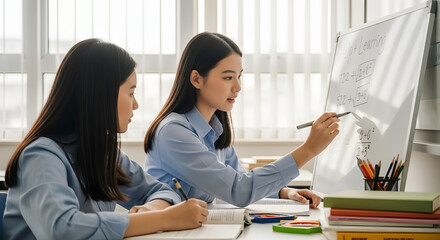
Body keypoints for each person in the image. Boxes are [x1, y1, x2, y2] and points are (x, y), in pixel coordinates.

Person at [3, 39, 208, 240]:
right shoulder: (40, 157)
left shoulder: (104, 153)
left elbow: (161, 191)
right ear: (102, 95)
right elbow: (62, 229)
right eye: (131, 92)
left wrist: (150, 210)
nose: (135, 105)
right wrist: (162, 219)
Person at [144, 32, 340, 208]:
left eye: (239, 76)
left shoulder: (215, 130)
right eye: (228, 78)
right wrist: (308, 150)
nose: (238, 87)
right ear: (196, 79)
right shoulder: (173, 132)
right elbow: (238, 190)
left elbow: (239, 179)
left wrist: (284, 192)